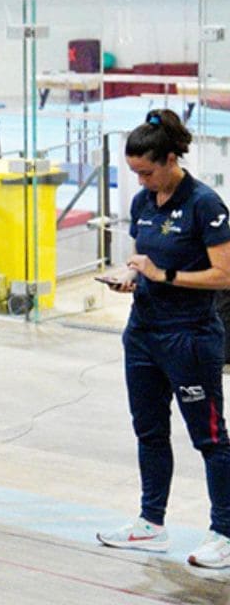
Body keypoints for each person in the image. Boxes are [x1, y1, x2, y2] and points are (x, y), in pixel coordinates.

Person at [95, 108, 230, 569]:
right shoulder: (142, 204)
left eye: (147, 172)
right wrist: (132, 277)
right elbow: (143, 259)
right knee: (149, 431)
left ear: (171, 159)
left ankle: (225, 533)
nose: (141, 182)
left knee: (209, 438)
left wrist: (163, 274)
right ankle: (151, 524)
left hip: (189, 337)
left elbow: (223, 275)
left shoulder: (204, 204)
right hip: (143, 334)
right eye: (134, 173)